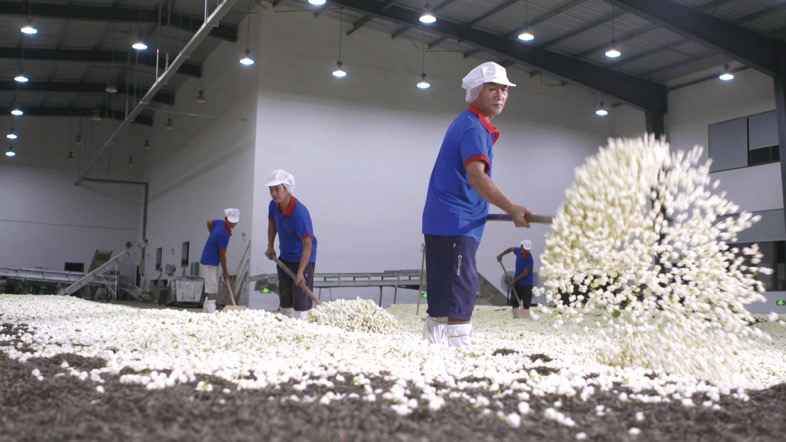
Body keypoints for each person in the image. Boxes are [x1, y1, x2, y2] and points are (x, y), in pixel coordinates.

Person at [422, 61, 532, 348]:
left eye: (504, 90)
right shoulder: (472, 127)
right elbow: (475, 176)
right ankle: (461, 353)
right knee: (462, 287)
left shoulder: (467, 123)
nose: (500, 95)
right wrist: (511, 207)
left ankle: (432, 347)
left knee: (443, 291)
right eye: (492, 89)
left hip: (443, 220)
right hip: (455, 221)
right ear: (476, 92)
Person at [264, 169, 317, 321]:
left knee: (301, 303)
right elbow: (272, 223)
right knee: (286, 300)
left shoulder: (299, 213)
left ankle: (303, 327)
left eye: (277, 189)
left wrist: (301, 271)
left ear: (287, 189)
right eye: (271, 190)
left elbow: (308, 244)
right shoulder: (273, 206)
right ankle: (287, 329)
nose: (274, 194)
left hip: (303, 258)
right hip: (286, 256)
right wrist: (270, 245)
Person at [200, 208, 240, 313]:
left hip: (210, 262)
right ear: (226, 219)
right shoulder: (223, 234)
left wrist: (211, 234)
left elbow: (209, 222)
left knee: (211, 289)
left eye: (235, 222)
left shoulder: (220, 223)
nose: (233, 224)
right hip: (209, 263)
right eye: (231, 222)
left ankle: (205, 313)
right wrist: (226, 271)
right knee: (212, 291)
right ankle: (211, 314)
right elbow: (222, 255)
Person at [497, 239, 535, 319]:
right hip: (517, 283)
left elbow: (525, 273)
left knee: (526, 303)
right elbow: (511, 249)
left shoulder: (529, 259)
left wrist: (515, 280)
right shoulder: (518, 251)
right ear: (522, 248)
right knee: (515, 302)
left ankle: (526, 316)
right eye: (525, 250)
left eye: (528, 250)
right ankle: (515, 316)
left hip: (526, 284)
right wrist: (501, 255)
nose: (527, 251)